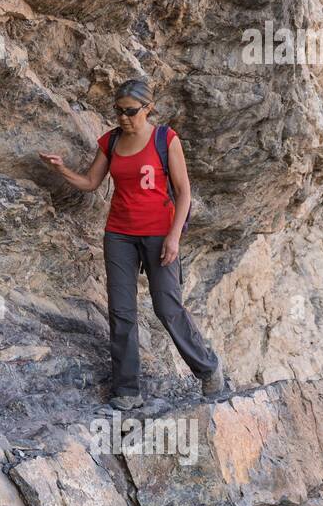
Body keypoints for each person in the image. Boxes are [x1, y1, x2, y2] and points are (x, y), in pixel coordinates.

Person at [39, 78, 227, 411]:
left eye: (130, 112)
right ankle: (127, 391)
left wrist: (174, 236)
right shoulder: (111, 141)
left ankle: (208, 369)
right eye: (118, 111)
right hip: (119, 235)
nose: (124, 118)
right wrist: (61, 169)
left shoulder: (164, 139)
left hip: (159, 233)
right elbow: (91, 182)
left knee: (167, 308)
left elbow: (184, 194)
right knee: (121, 312)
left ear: (148, 108)